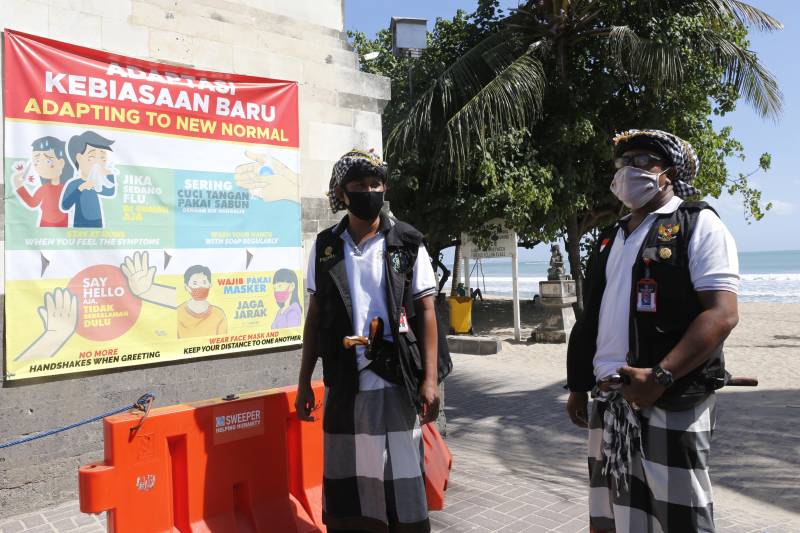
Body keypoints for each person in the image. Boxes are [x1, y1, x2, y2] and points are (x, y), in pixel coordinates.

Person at [566, 129, 740, 533]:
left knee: (679, 518)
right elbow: (593, 316)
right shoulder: (610, 236)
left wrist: (660, 376)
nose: (629, 170)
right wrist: (578, 385)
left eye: (643, 160)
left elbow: (721, 314)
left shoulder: (697, 224)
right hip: (609, 399)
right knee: (616, 516)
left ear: (669, 173)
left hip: (669, 398)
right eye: (623, 162)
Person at [295, 149, 440, 533]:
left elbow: (427, 310)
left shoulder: (407, 242)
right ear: (341, 193)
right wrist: (304, 381)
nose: (369, 191)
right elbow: (315, 317)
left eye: (376, 184)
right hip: (345, 384)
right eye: (359, 185)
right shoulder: (325, 247)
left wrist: (430, 380)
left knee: (401, 482)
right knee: (349, 485)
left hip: (395, 380)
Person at [12, 136, 73, 228]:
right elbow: (33, 203)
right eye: (36, 162)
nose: (41, 167)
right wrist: (19, 186)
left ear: (61, 163)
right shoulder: (45, 189)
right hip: (45, 226)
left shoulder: (67, 188)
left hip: (62, 226)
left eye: (48, 161)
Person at [61, 131, 116, 228]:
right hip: (80, 223)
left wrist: (109, 175)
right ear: (79, 158)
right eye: (91, 157)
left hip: (97, 222)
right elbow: (65, 206)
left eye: (102, 158)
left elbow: (109, 192)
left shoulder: (97, 182)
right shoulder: (74, 184)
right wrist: (80, 189)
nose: (98, 163)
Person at [176, 265, 227, 338]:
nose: (200, 286)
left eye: (204, 282)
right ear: (186, 287)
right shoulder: (178, 313)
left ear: (210, 285)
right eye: (195, 283)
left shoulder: (219, 314)